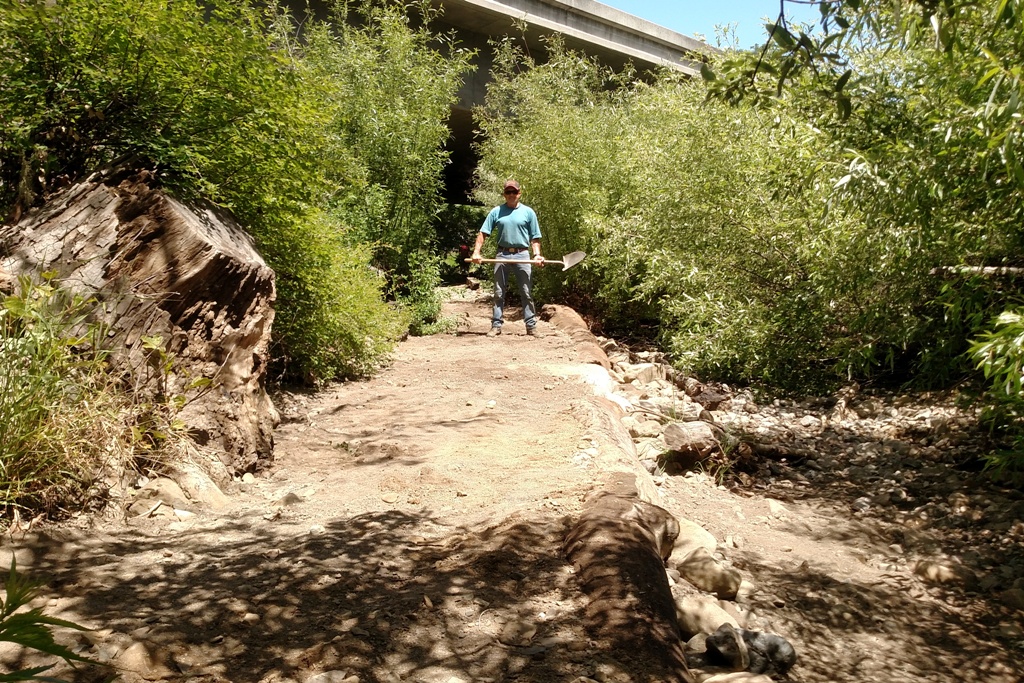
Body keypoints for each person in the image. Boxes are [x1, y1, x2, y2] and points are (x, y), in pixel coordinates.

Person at [471, 179, 544, 337]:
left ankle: (531, 326)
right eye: (508, 192)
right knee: (498, 292)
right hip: (502, 254)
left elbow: (535, 238)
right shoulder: (496, 211)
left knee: (526, 292)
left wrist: (537, 255)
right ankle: (496, 325)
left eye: (514, 192)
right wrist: (476, 252)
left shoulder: (528, 212)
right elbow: (483, 233)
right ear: (504, 194)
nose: (511, 195)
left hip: (522, 255)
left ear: (519, 193)